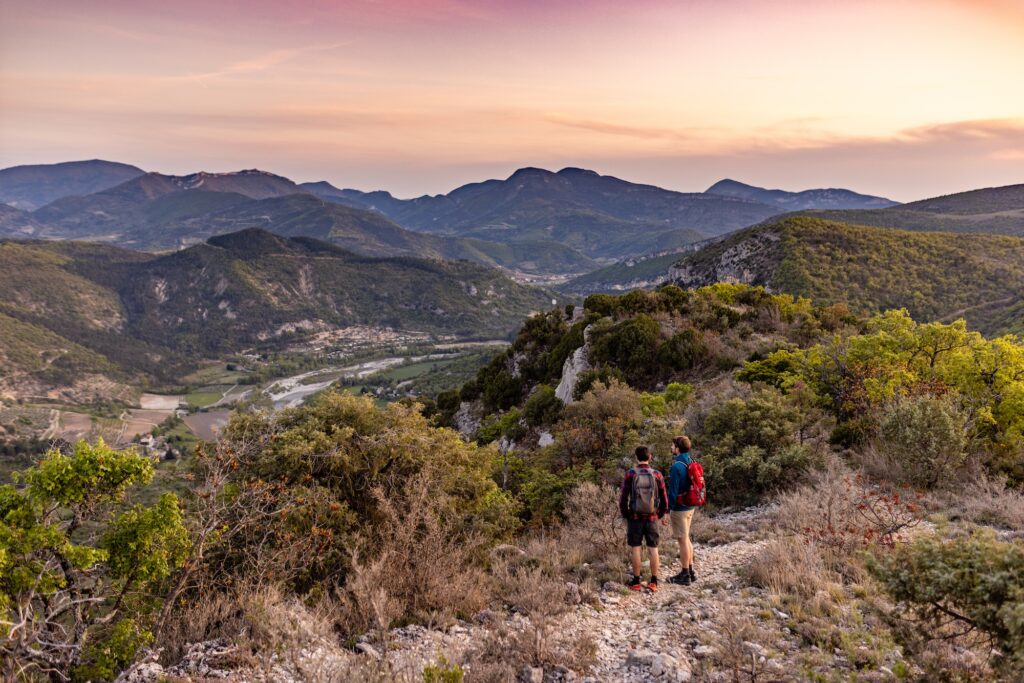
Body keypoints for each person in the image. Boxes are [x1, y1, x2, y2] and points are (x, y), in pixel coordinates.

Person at [618, 445, 669, 592]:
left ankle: (636, 581)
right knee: (653, 549)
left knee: (636, 548)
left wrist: (626, 514)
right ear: (650, 457)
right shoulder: (657, 474)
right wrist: (661, 513)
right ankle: (654, 581)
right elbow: (664, 496)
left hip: (635, 517)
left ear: (636, 458)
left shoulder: (630, 474)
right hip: (652, 517)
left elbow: (623, 497)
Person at [666, 435, 698, 585]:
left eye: (673, 446)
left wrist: (667, 510)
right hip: (690, 506)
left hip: (679, 508)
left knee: (683, 540)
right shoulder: (691, 461)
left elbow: (672, 492)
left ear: (677, 448)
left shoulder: (676, 466)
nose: (671, 448)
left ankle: (685, 574)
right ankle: (690, 571)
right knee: (687, 539)